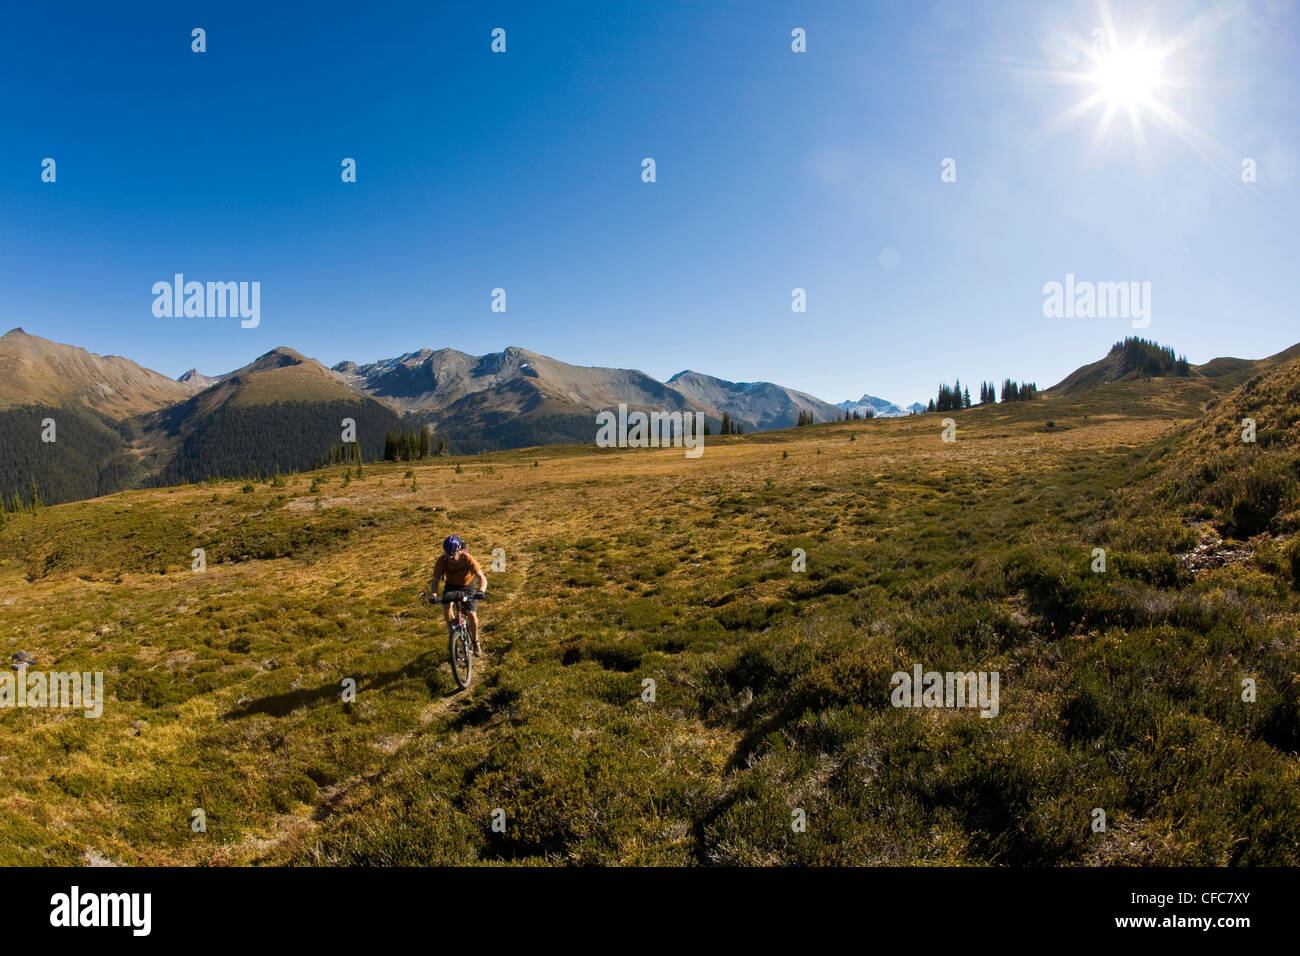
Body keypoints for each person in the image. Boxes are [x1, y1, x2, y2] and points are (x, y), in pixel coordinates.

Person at [429, 535, 487, 654]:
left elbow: (482, 577)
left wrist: (481, 591)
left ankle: (476, 643)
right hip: (451, 586)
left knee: (471, 614)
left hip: (467, 586)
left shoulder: (467, 558)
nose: (450, 558)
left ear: (459, 551)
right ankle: (453, 635)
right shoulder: (442, 560)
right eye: (447, 555)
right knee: (447, 608)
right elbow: (435, 580)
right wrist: (433, 594)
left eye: (453, 555)